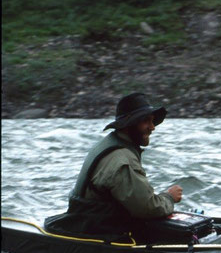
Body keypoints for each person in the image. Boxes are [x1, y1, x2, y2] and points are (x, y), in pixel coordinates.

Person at [44, 93, 183, 243]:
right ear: (129, 124)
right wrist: (169, 197)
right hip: (97, 234)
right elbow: (147, 208)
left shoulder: (111, 143)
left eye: (152, 121)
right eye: (146, 121)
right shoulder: (122, 160)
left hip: (86, 224)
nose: (152, 127)